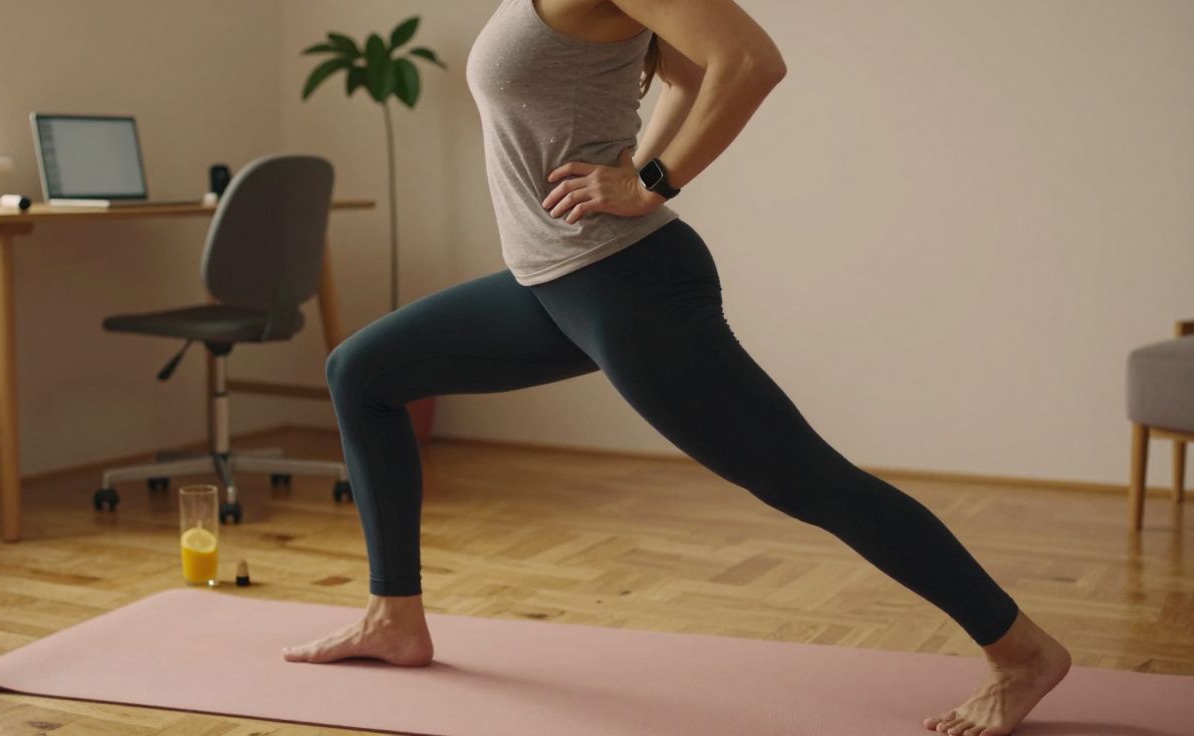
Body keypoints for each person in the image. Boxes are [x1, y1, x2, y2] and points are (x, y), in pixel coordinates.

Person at [282, 1, 1072, 733]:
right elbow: (689, 75)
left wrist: (648, 182)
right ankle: (396, 618)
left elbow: (750, 61)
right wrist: (638, 165)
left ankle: (1020, 649)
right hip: (550, 285)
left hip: (628, 285)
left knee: (807, 479)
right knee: (364, 372)